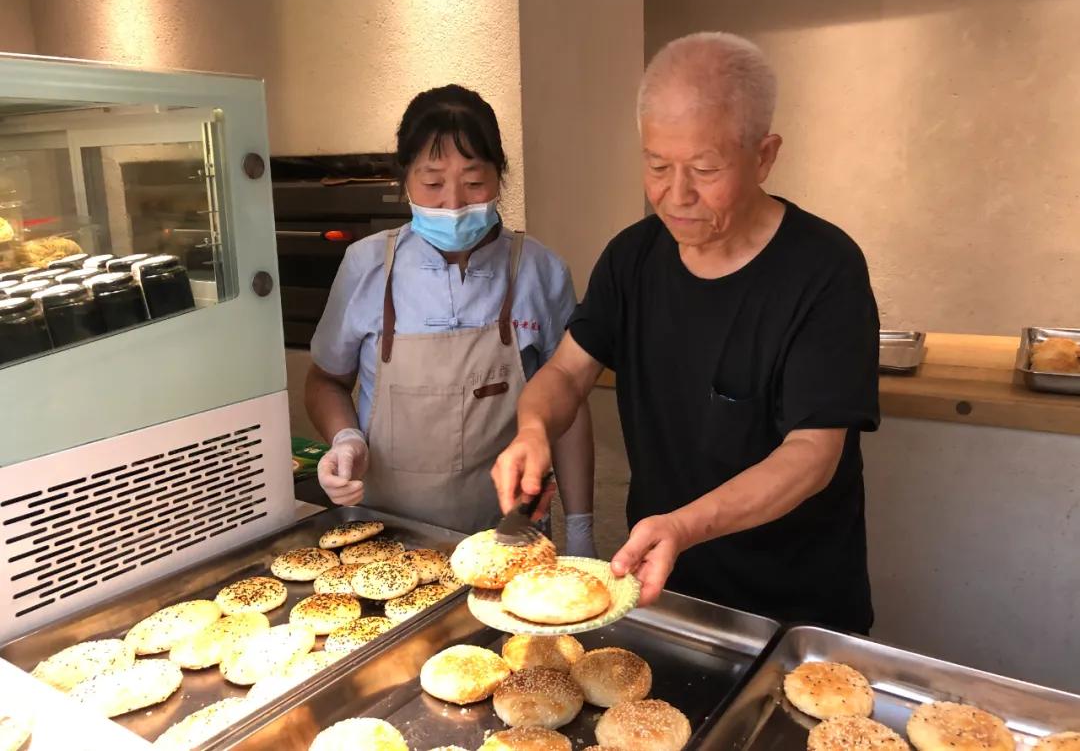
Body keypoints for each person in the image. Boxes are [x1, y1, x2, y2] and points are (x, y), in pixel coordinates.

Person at [491, 33, 880, 632]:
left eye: (705, 169)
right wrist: (533, 429)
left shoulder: (825, 270)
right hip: (661, 593)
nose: (676, 196)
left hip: (795, 611)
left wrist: (683, 524)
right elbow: (568, 370)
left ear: (765, 155)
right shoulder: (632, 258)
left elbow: (812, 456)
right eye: (656, 166)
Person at [307, 84, 595, 553]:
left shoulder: (540, 271)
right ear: (405, 181)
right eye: (434, 182)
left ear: (500, 177)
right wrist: (344, 439)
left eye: (475, 182)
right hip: (385, 534)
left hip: (507, 532)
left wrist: (581, 529)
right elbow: (324, 380)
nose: (455, 202)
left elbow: (570, 403)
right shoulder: (367, 267)